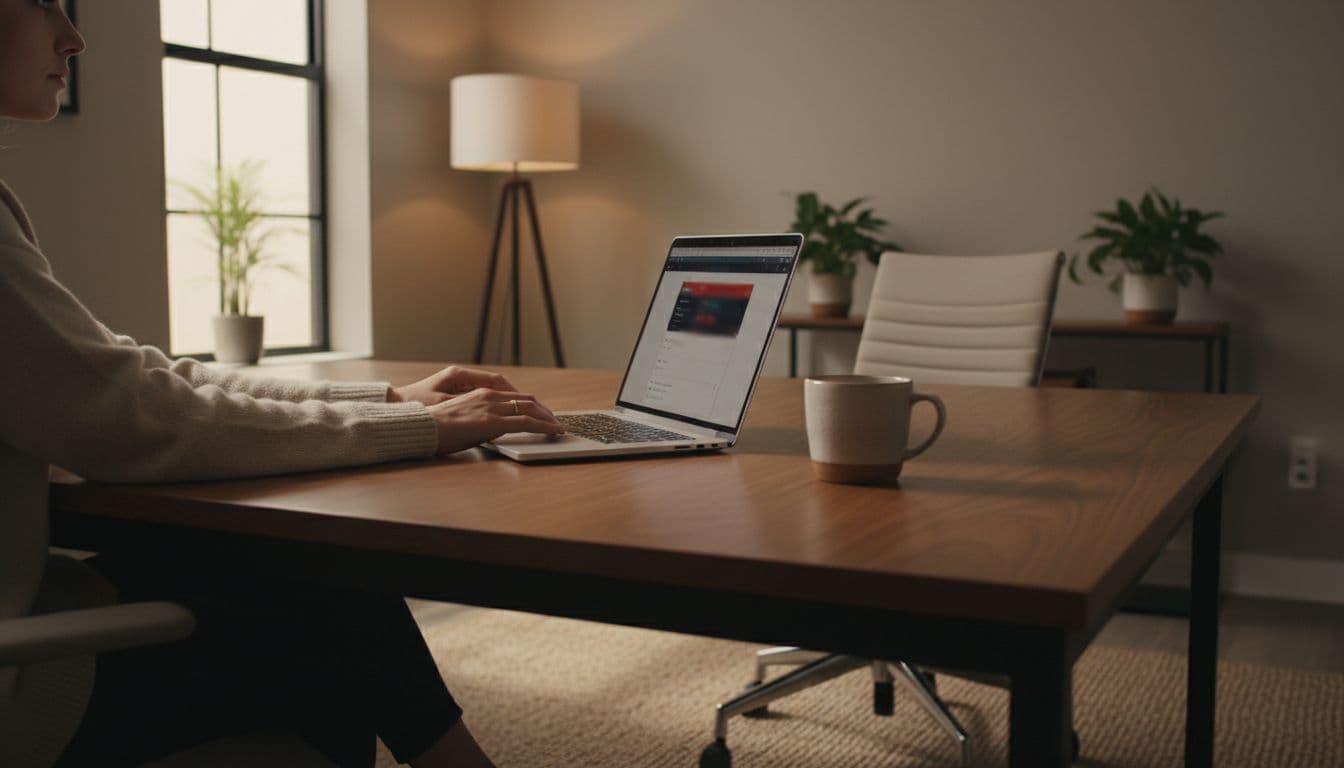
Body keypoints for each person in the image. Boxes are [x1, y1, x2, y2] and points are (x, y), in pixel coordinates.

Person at [0, 1, 566, 765]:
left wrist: (389, 400)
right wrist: (421, 429)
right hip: (19, 687)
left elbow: (137, 376)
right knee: (330, 603)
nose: (75, 36)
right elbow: (134, 418)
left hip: (33, 611)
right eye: (42, 4)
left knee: (293, 571)